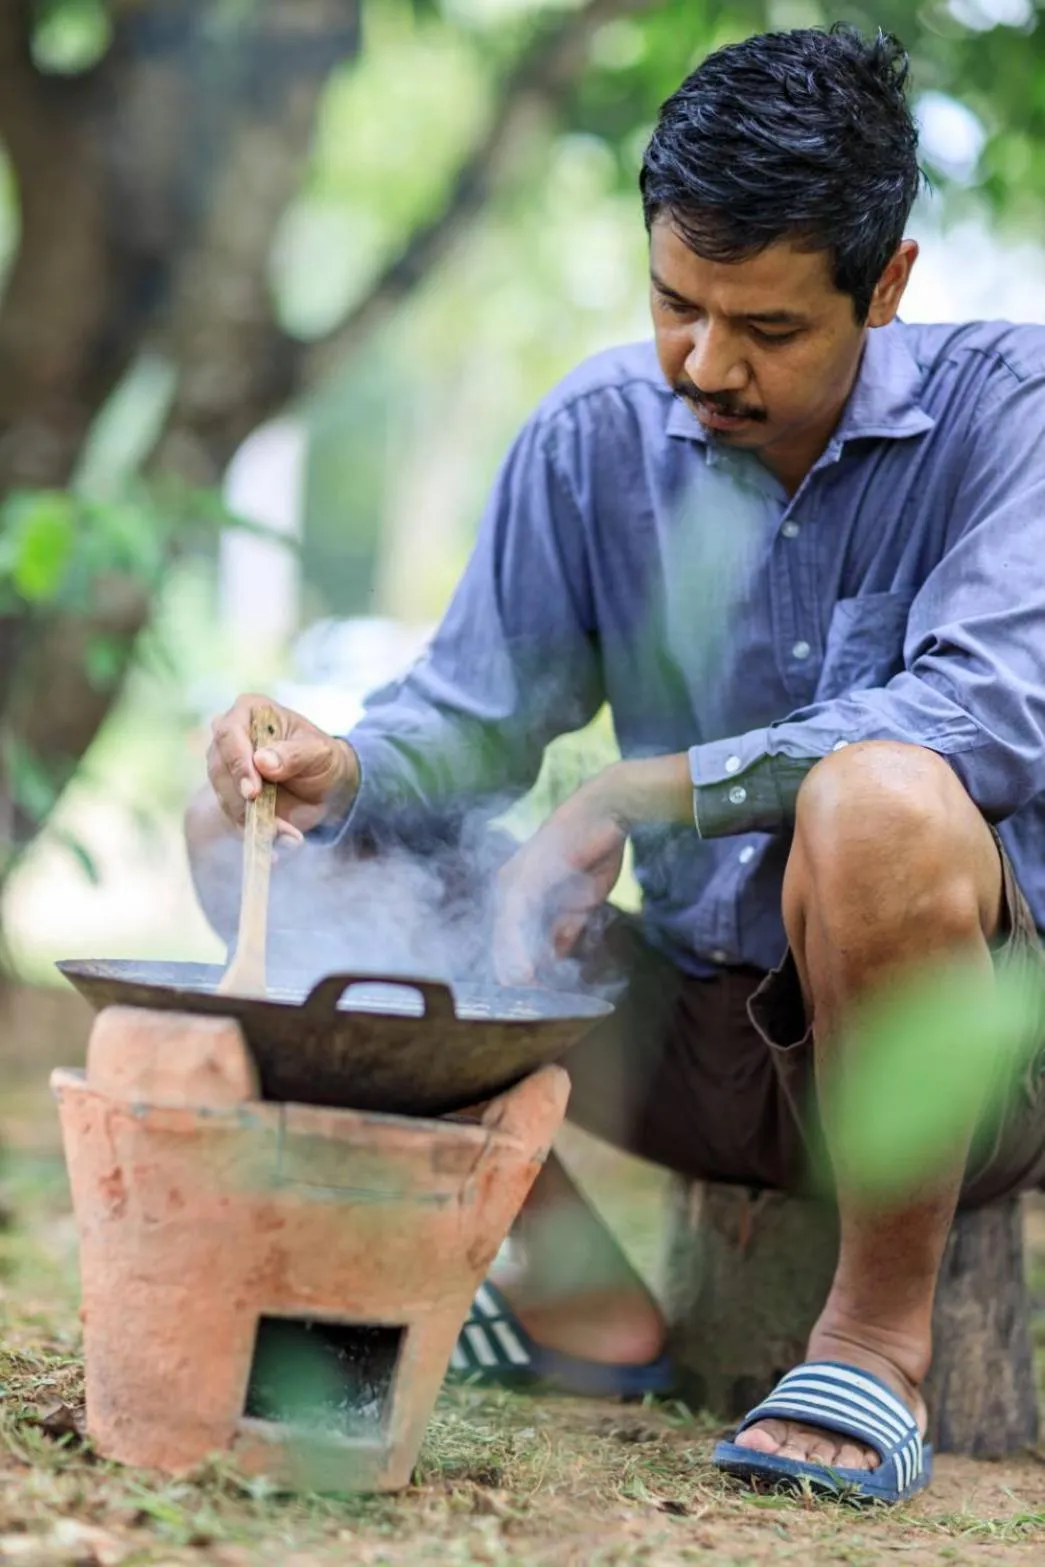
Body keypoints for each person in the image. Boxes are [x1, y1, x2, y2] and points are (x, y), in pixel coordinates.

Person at [188, 24, 1045, 1504]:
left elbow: (989, 709)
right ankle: (582, 1299)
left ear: (888, 285)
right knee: (262, 842)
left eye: (767, 330)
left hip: (965, 1073)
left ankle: (874, 1343)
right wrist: (337, 761)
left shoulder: (1015, 417)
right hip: (679, 1044)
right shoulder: (595, 433)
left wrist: (638, 790)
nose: (704, 365)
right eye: (674, 304)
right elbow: (466, 718)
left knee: (884, 798)